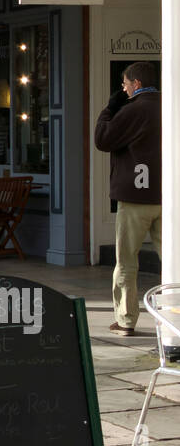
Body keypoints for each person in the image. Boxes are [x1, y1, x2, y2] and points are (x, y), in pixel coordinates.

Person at [93, 61, 162, 336]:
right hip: (167, 196)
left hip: (134, 198)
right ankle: (172, 318)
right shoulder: (170, 105)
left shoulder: (132, 110)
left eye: (124, 84)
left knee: (126, 262)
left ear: (135, 84)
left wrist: (109, 109)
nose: (123, 88)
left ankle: (126, 320)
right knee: (172, 260)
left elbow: (102, 138)